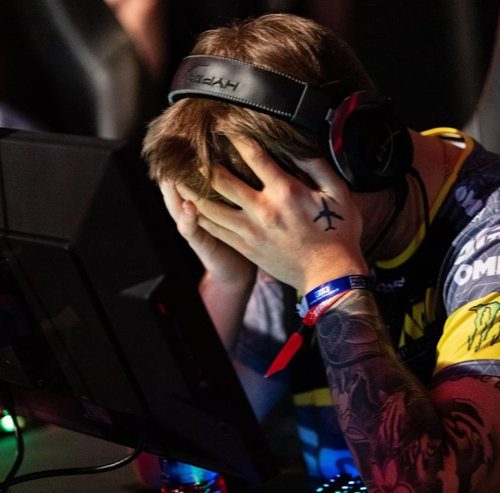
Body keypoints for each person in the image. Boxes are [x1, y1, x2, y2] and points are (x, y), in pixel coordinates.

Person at [142, 13, 500, 491]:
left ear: (367, 149)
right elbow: (170, 464)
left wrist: (326, 273)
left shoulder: (488, 239)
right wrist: (228, 281)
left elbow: (436, 483)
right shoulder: (286, 230)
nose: (265, 241)